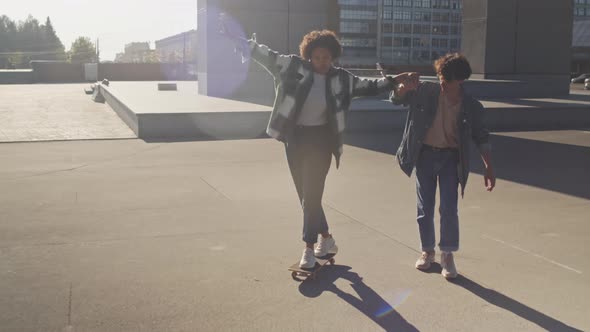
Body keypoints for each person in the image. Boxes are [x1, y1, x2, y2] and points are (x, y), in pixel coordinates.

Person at [222, 26, 403, 268]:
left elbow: (367, 86)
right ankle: (326, 238)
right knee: (306, 196)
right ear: (309, 56)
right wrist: (244, 43)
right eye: (317, 57)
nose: (321, 62)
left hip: (321, 141)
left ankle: (308, 248)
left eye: (326, 57)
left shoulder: (341, 78)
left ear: (333, 56)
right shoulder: (294, 68)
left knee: (312, 194)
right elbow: (268, 57)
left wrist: (392, 82)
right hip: (294, 139)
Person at [391, 53, 496, 279]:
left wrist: (488, 167)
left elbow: (481, 136)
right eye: (440, 77)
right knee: (425, 208)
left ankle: (447, 254)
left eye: (448, 80)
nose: (442, 83)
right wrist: (402, 87)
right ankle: (427, 251)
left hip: (451, 159)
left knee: (449, 208)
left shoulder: (471, 106)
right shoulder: (424, 92)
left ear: (461, 80)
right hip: (425, 155)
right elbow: (396, 99)